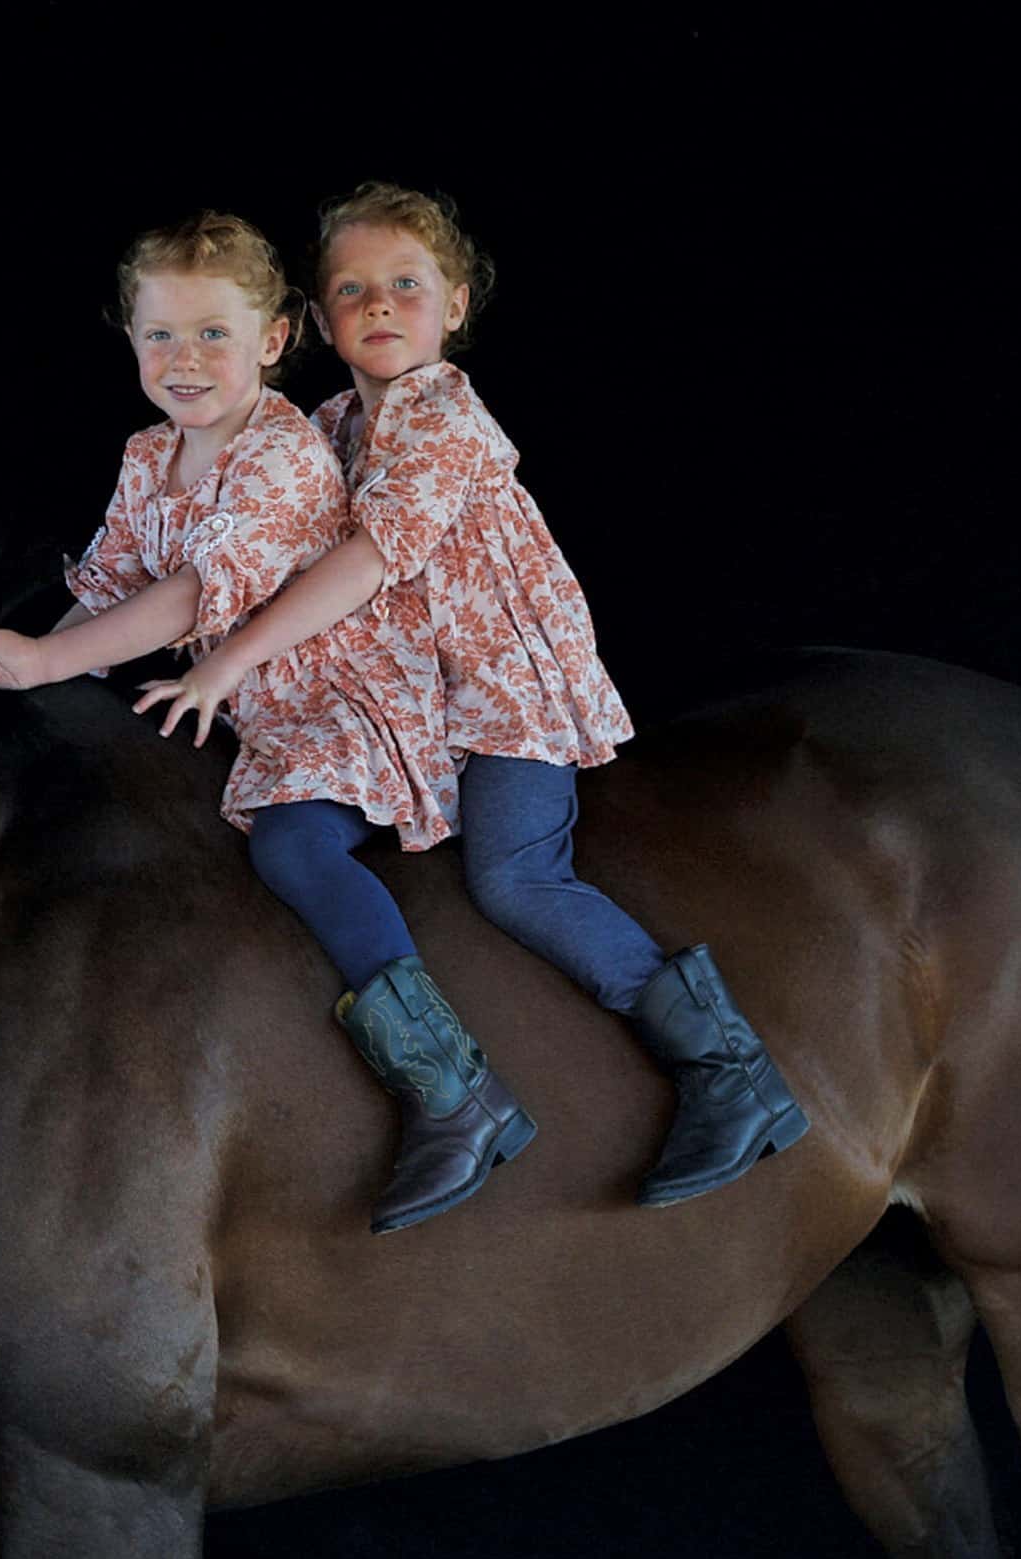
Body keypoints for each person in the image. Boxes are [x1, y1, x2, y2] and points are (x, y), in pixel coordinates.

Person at [128, 181, 808, 1229]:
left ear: (453, 306)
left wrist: (230, 662)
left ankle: (727, 1069)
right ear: (316, 321)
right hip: (402, 703)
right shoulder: (326, 427)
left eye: (406, 284)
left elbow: (364, 561)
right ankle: (447, 1085)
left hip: (499, 689)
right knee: (290, 832)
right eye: (350, 289)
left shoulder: (442, 414)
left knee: (513, 876)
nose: (378, 304)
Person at [0, 209, 351, 741]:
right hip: (226, 699)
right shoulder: (149, 452)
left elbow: (193, 593)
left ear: (271, 342)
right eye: (160, 334)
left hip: (324, 707)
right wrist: (33, 668)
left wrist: (45, 660)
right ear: (133, 338)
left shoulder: (283, 455)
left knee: (299, 804)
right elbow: (113, 582)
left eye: (213, 334)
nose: (185, 360)